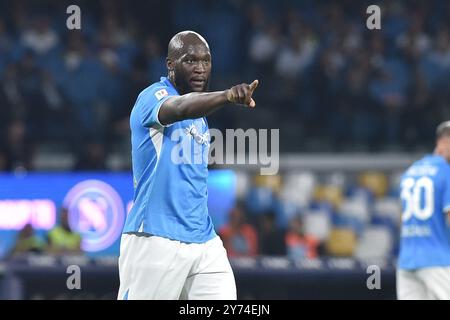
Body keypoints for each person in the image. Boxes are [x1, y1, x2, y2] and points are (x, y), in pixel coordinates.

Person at [117, 30, 259, 300]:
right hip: (156, 238)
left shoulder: (201, 118)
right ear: (170, 64)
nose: (200, 68)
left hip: (203, 241)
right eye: (190, 61)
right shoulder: (153, 97)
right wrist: (227, 95)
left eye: (206, 61)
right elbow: (180, 107)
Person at [397, 121, 450, 300]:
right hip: (438, 259)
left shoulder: (411, 171)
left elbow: (401, 217)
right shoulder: (446, 172)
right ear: (442, 142)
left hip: (407, 259)